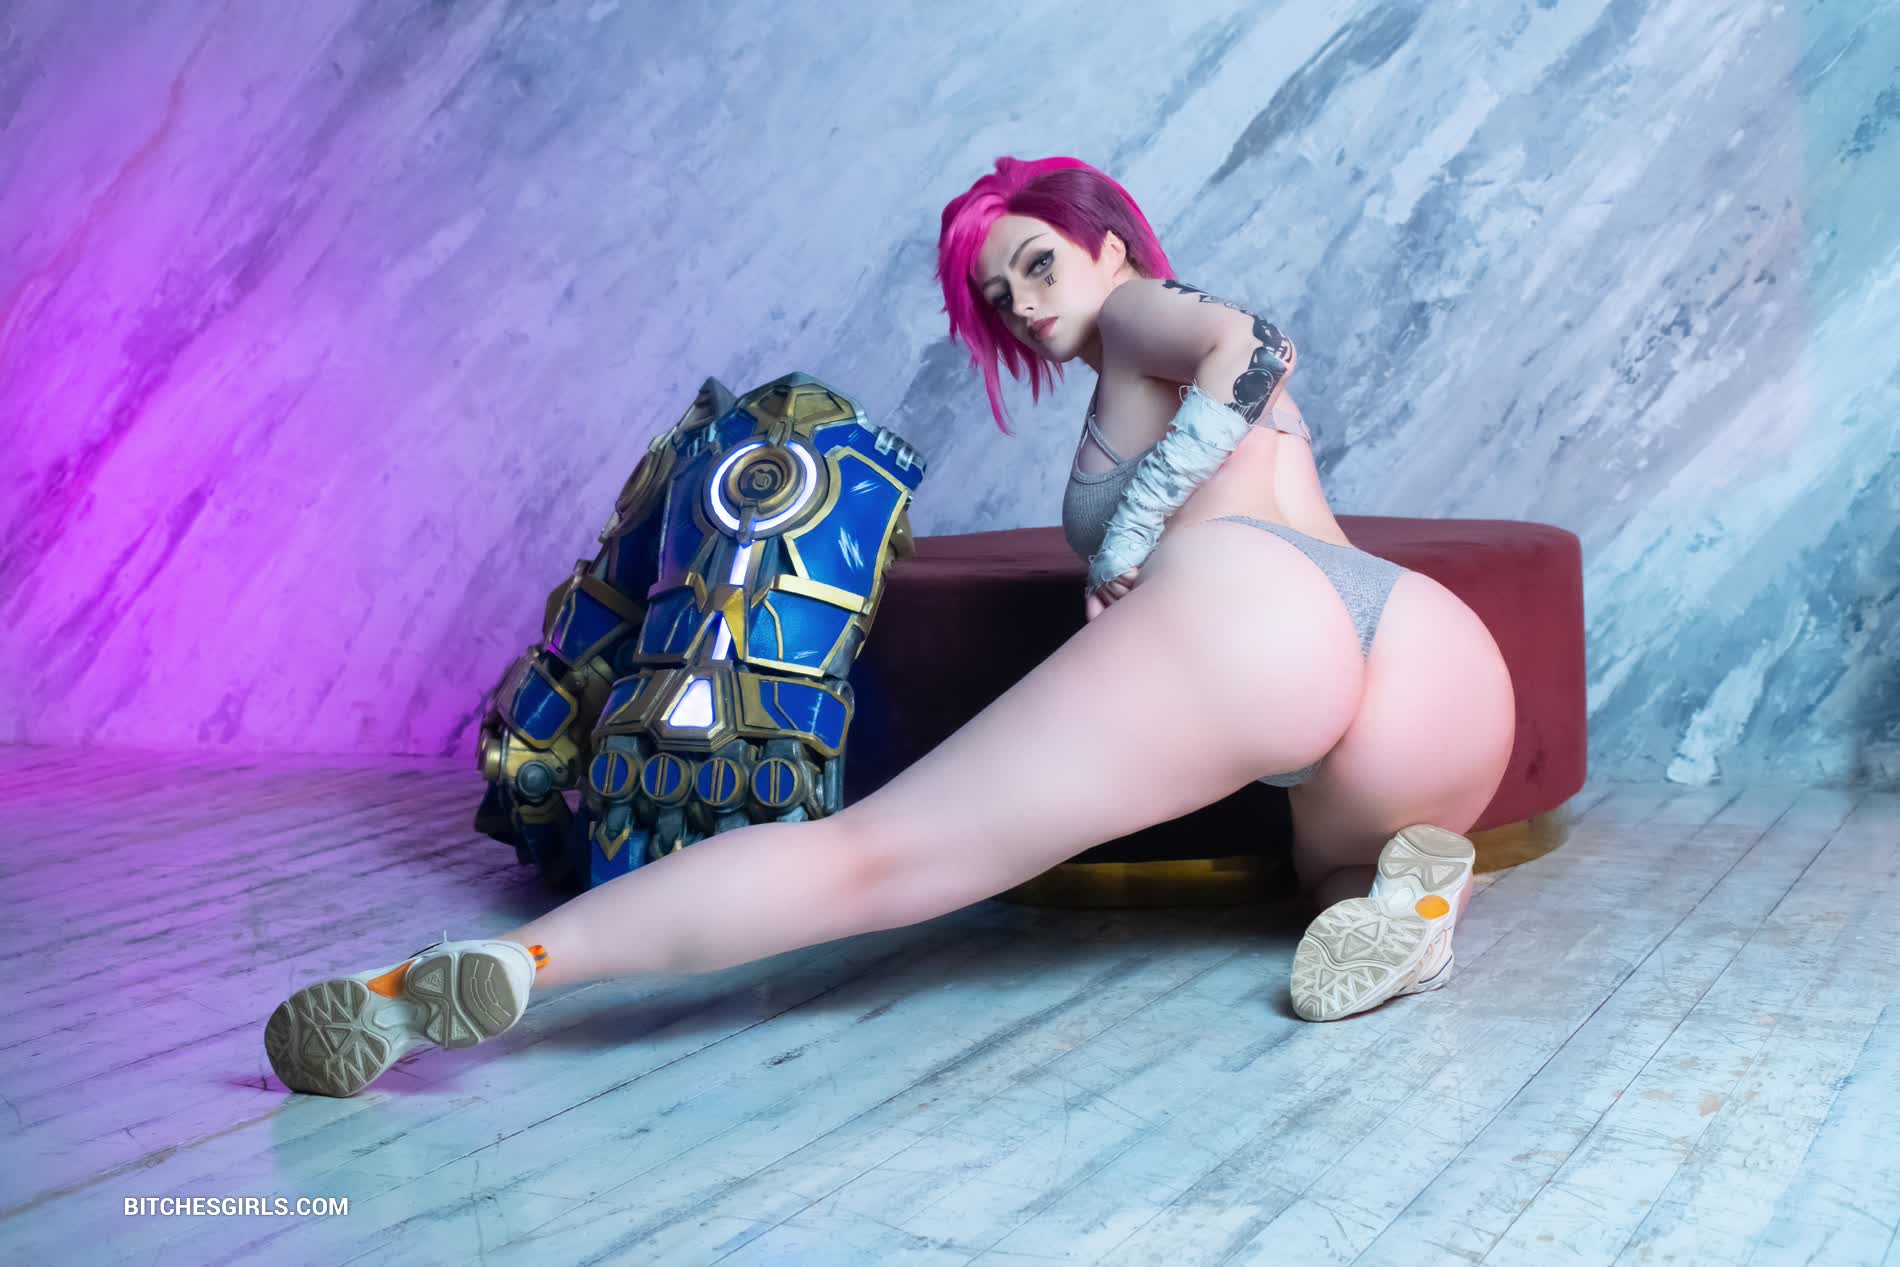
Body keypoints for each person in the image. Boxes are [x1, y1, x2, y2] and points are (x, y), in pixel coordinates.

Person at [264, 155, 1517, 1098]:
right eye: (997, 295)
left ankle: (509, 969)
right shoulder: (1131, 355)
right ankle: (1417, 896)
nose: (1022, 305)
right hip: (1426, 651)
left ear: (1109, 245)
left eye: (1039, 264)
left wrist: (1129, 536)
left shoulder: (1143, 314)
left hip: (1258, 613)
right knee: (1325, 879)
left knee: (869, 856)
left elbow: (1256, 346)